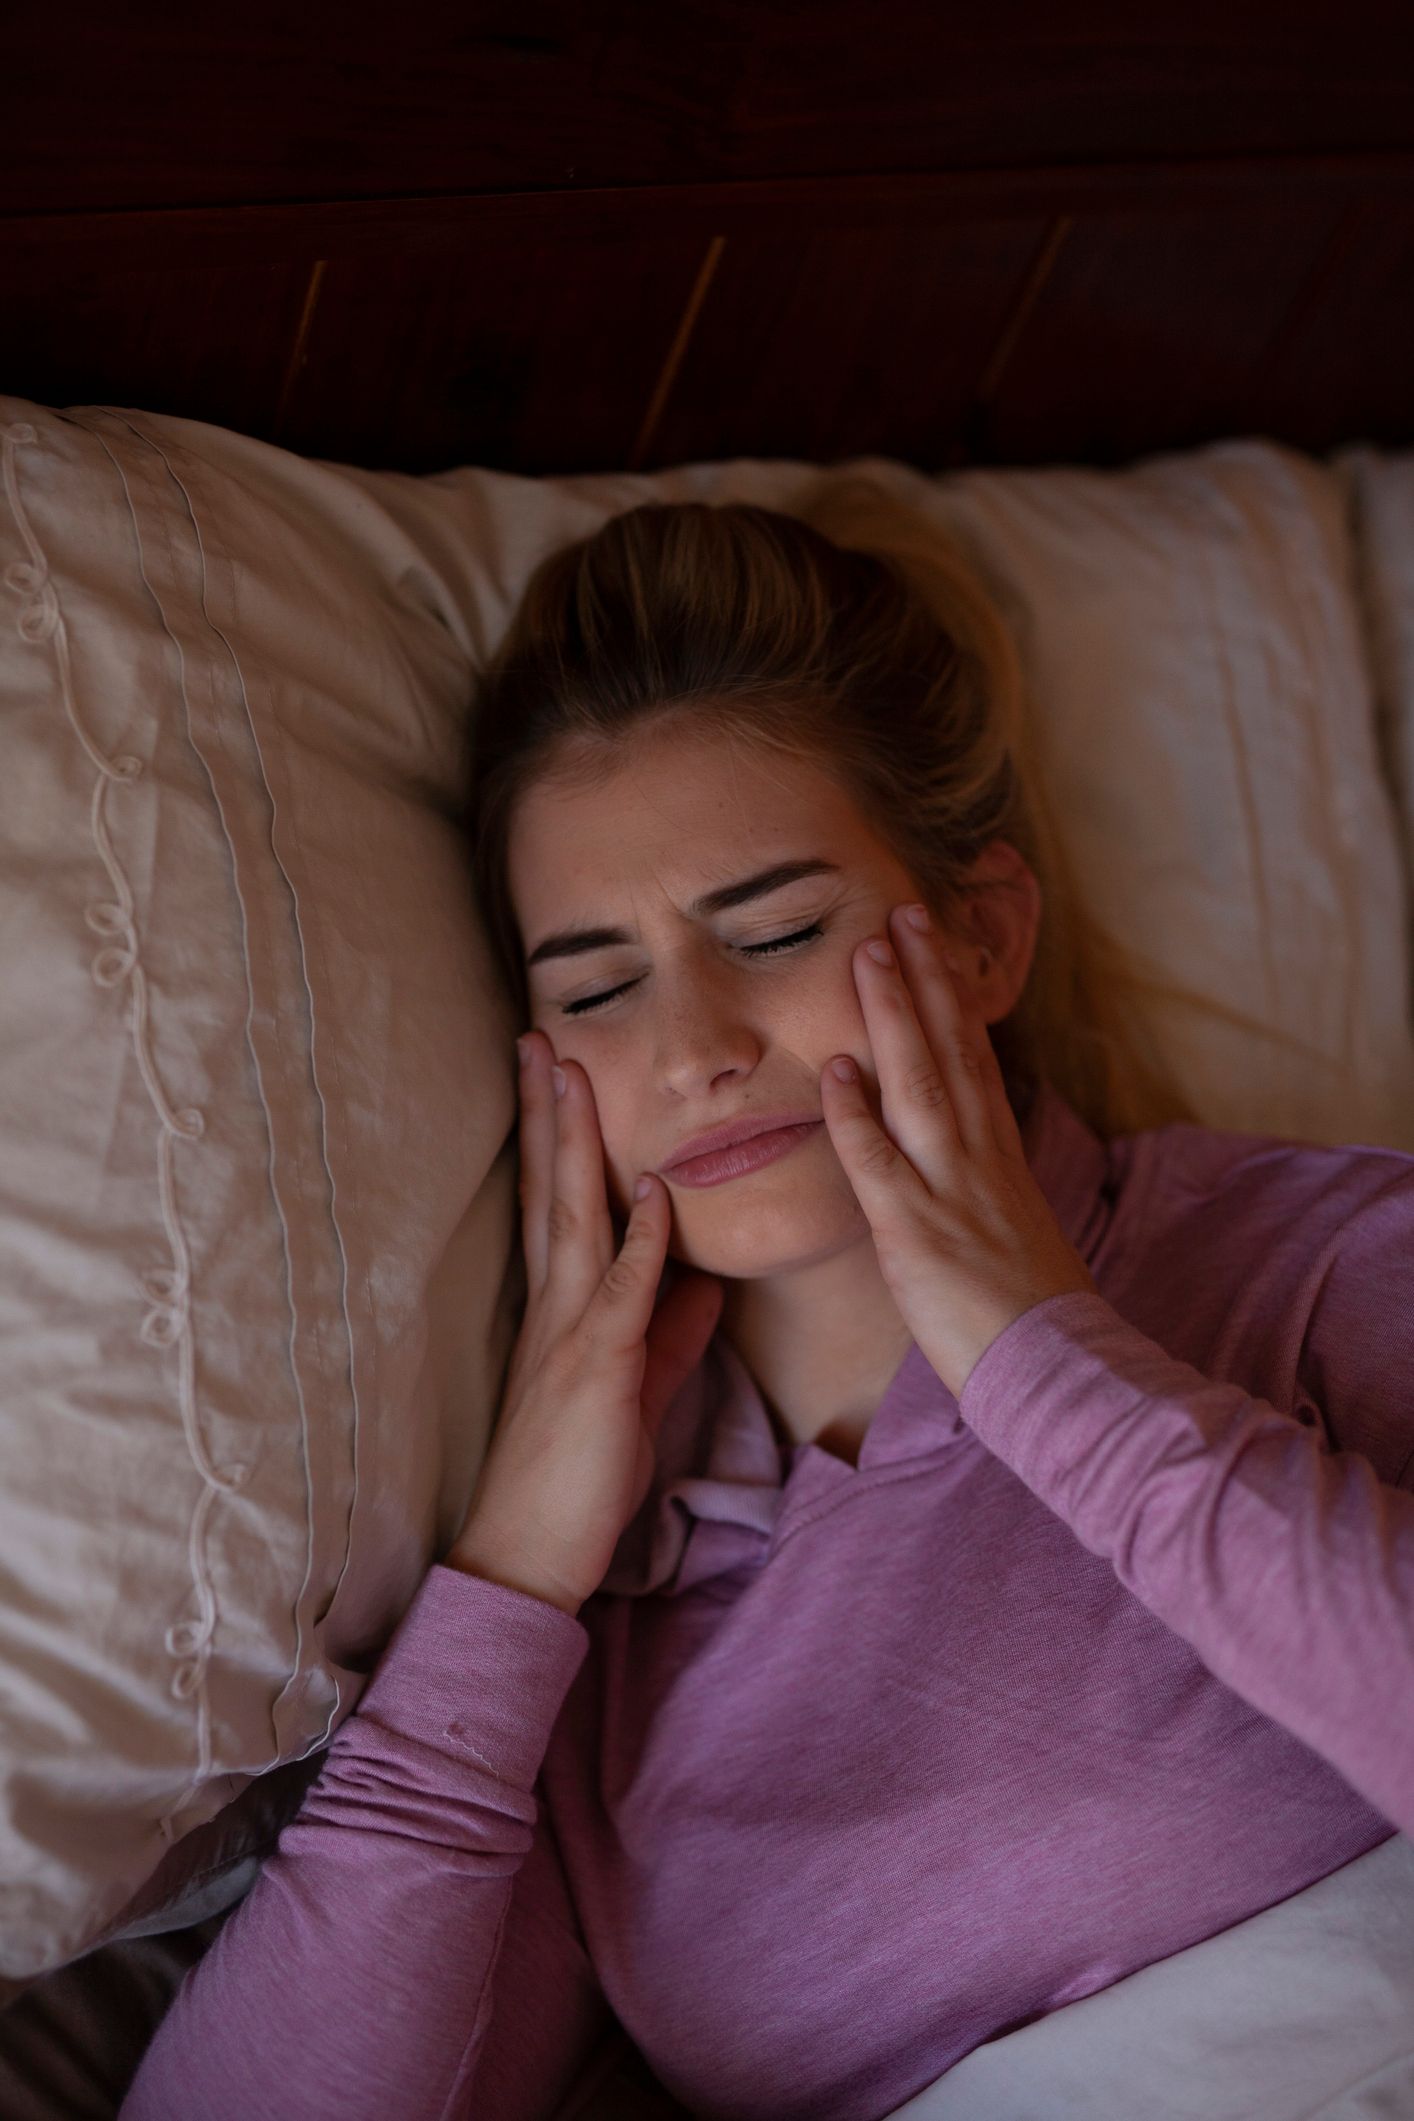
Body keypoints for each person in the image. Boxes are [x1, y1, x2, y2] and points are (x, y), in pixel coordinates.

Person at [121, 488, 1414, 2120]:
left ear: (986, 935)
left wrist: (1040, 1366)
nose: (692, 1044)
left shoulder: (1308, 1263)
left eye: (778, 929)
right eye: (596, 984)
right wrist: (514, 1569)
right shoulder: (594, 1640)